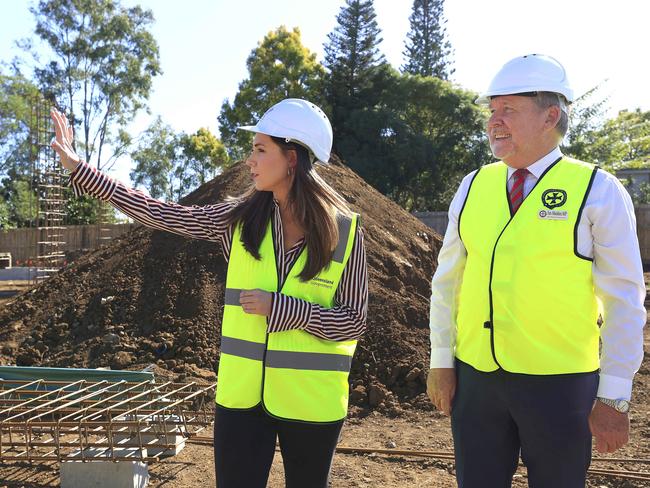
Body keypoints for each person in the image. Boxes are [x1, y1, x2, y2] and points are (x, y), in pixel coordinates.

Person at [50, 98, 368, 488]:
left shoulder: (346, 232)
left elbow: (353, 322)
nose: (250, 160)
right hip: (241, 402)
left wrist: (285, 309)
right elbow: (163, 213)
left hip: (312, 404)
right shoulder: (239, 220)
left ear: (291, 158)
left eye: (260, 149)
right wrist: (83, 172)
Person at [426, 54, 646, 488]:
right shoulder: (473, 186)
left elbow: (624, 297)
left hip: (560, 386)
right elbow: (447, 282)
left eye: (508, 109)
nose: (494, 122)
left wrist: (615, 396)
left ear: (551, 116)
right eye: (492, 111)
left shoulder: (598, 190)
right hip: (477, 380)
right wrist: (441, 360)